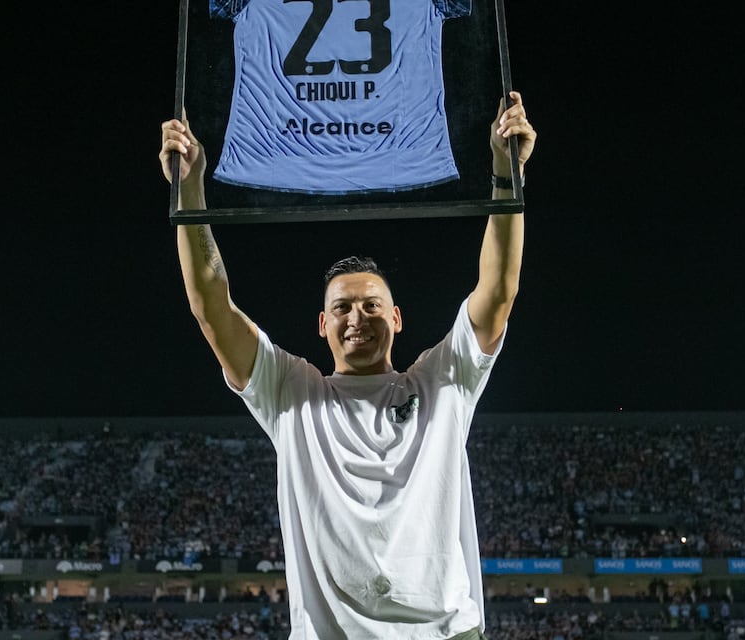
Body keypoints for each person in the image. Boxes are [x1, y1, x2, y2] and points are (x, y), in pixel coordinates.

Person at [159, 92, 536, 640]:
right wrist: (189, 188)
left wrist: (506, 174)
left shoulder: (442, 382)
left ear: (397, 318)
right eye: (342, 308)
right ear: (322, 324)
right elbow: (212, 305)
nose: (357, 317)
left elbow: (498, 291)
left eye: (371, 305)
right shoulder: (291, 392)